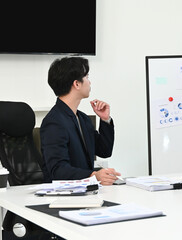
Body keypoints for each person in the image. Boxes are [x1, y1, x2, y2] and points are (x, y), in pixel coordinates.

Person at [40, 56, 121, 185]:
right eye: (87, 77)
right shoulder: (54, 122)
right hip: (64, 194)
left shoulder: (82, 118)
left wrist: (105, 120)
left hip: (84, 190)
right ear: (77, 84)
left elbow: (104, 151)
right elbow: (58, 170)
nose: (90, 82)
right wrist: (93, 175)